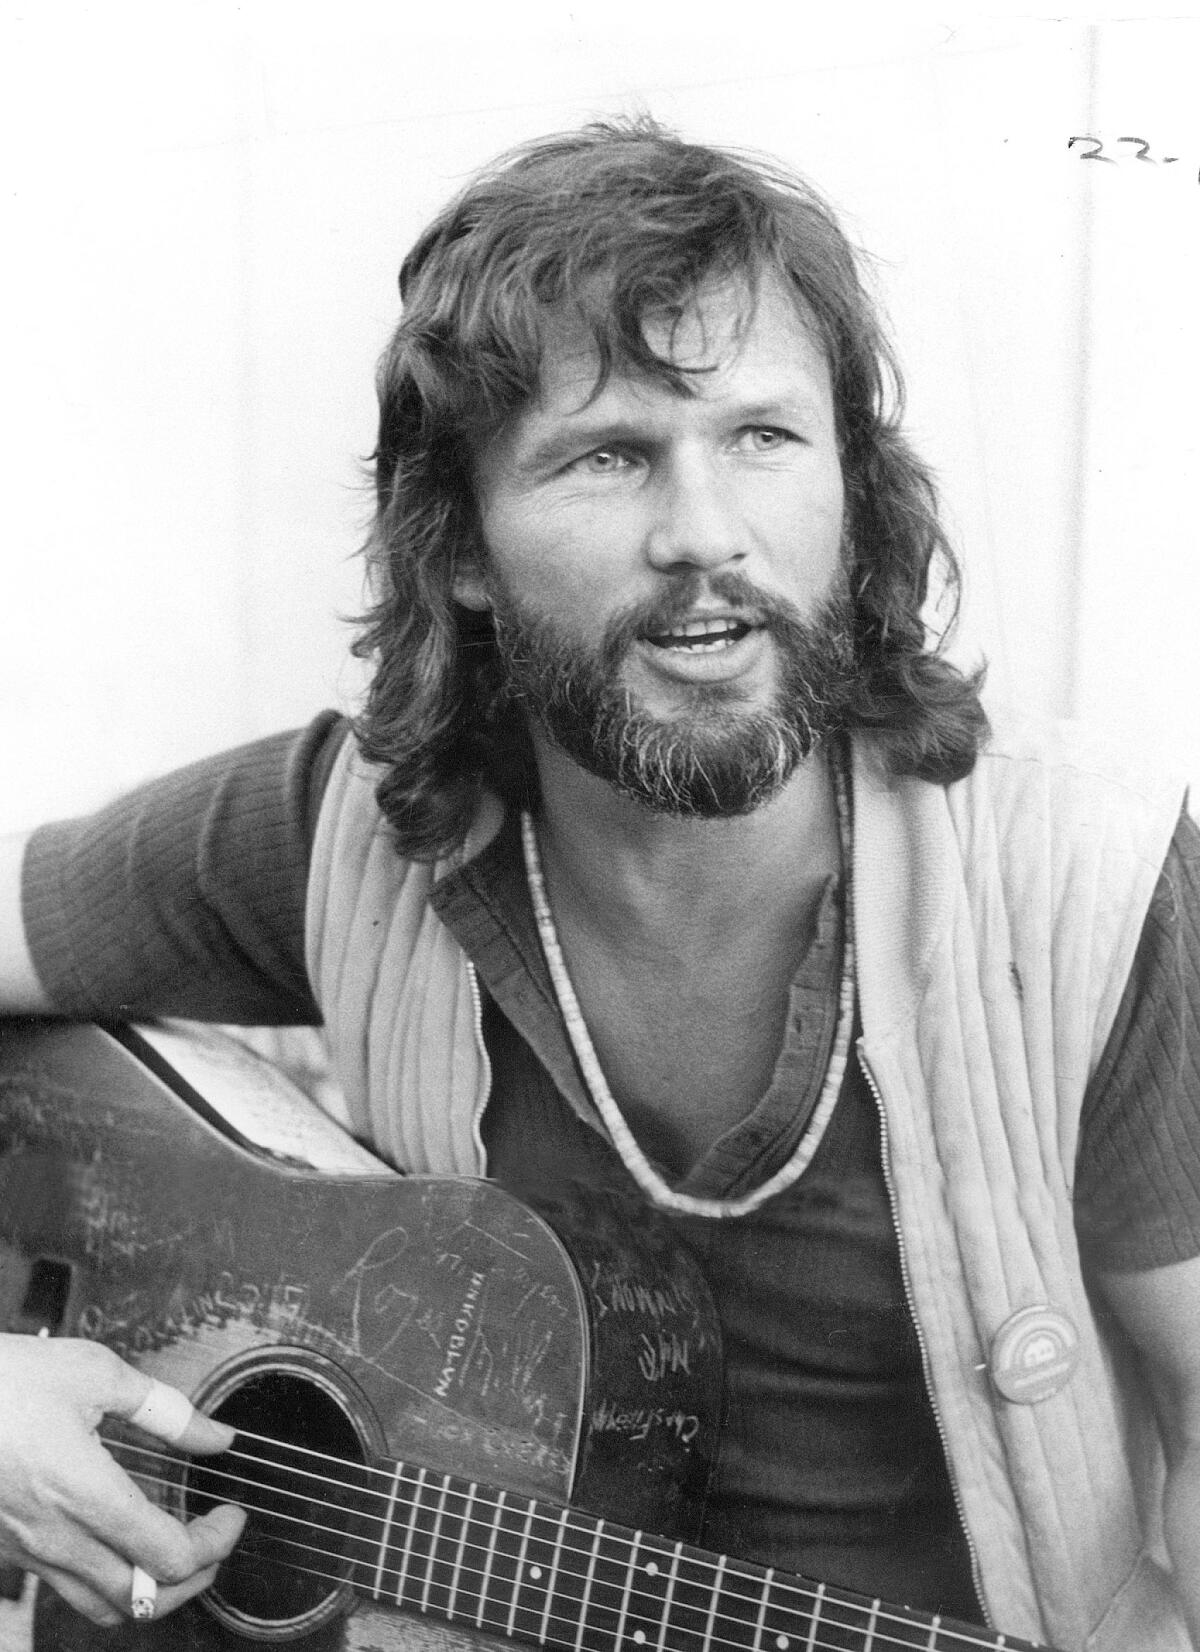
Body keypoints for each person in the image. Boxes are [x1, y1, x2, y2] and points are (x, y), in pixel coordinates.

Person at [1, 116, 1198, 1651]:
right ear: (463, 554)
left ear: (855, 489)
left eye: (764, 437)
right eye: (609, 453)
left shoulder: (1087, 891)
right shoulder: (347, 835)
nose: (704, 536)